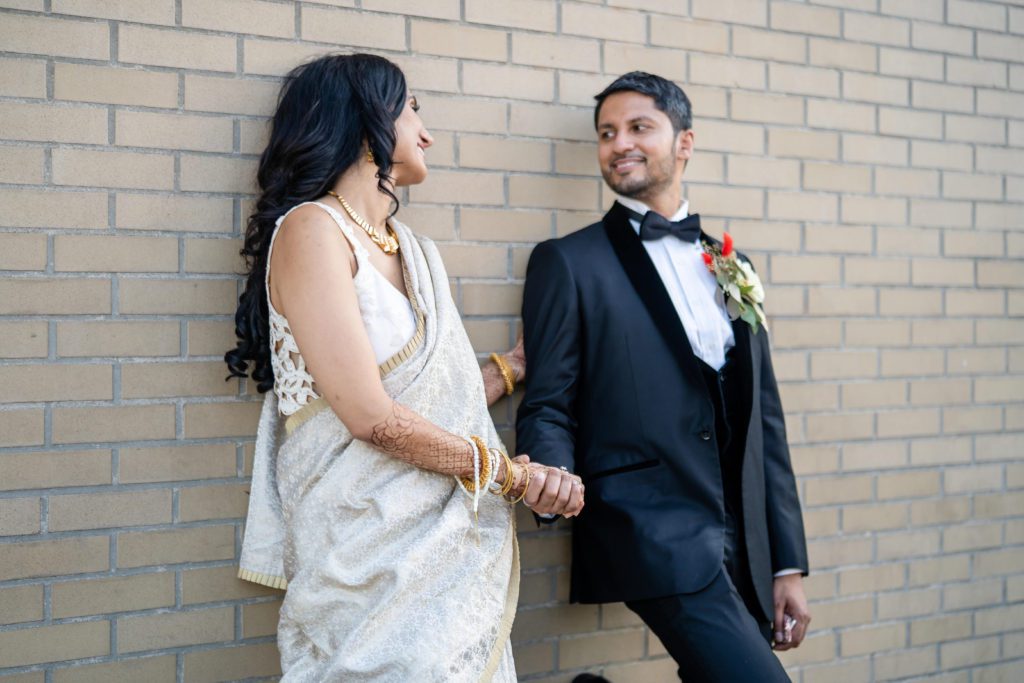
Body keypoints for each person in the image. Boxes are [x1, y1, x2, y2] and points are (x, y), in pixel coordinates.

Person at [224, 53, 583, 682]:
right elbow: (370, 415)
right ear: (366, 127)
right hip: (367, 552)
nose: (426, 130)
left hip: (447, 557)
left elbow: (422, 387)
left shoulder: (414, 250)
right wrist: (511, 477)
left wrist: (511, 367)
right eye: (411, 108)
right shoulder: (313, 229)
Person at [516, 71, 810, 682]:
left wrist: (786, 563)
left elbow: (766, 424)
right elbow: (548, 401)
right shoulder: (568, 262)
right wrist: (549, 477)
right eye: (606, 133)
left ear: (684, 143)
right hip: (648, 527)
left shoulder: (732, 263)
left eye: (638, 127)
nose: (619, 143)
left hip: (744, 541)